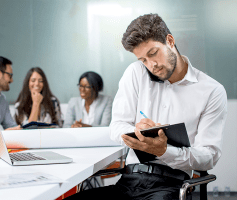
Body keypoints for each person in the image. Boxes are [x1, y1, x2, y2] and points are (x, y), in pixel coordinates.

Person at [66, 14, 227, 200]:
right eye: (143, 60)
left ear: (170, 40)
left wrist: (165, 151)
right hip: (128, 181)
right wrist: (137, 131)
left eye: (153, 53)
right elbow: (117, 126)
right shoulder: (135, 73)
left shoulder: (212, 91)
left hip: (172, 186)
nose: (152, 65)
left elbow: (209, 156)